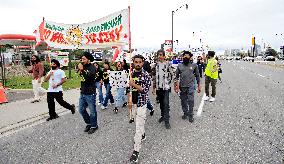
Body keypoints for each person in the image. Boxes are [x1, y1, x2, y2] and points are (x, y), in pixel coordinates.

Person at [129, 55, 151, 163]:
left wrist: (134, 84)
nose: (137, 64)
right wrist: (129, 100)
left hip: (141, 104)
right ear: (133, 62)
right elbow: (129, 88)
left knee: (138, 127)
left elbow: (145, 90)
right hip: (133, 104)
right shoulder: (131, 73)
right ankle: (143, 134)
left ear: (142, 63)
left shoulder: (146, 75)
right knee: (138, 124)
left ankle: (136, 151)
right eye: (135, 62)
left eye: (139, 62)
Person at [174, 51, 201, 123]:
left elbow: (198, 76)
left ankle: (191, 115)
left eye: (187, 56)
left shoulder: (194, 65)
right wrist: (176, 86)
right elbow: (176, 77)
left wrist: (199, 86)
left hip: (191, 86)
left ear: (190, 57)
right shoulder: (179, 65)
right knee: (183, 101)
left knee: (191, 101)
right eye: (184, 56)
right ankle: (185, 113)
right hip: (182, 86)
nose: (185, 57)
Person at [152, 50, 174, 129]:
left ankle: (167, 121)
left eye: (161, 55)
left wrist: (173, 83)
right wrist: (154, 88)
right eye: (158, 55)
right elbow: (154, 77)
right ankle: (163, 116)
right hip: (159, 88)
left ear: (164, 56)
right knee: (161, 103)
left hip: (166, 88)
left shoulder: (168, 64)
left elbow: (173, 74)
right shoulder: (156, 65)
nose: (159, 56)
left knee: (166, 103)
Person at [78, 52, 98, 134]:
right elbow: (81, 77)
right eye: (82, 59)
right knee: (81, 110)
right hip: (83, 92)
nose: (82, 60)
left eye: (84, 59)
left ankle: (94, 126)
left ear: (88, 60)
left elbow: (87, 78)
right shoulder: (83, 67)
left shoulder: (92, 68)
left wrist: (82, 69)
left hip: (90, 93)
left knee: (92, 111)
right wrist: (80, 70)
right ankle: (89, 123)